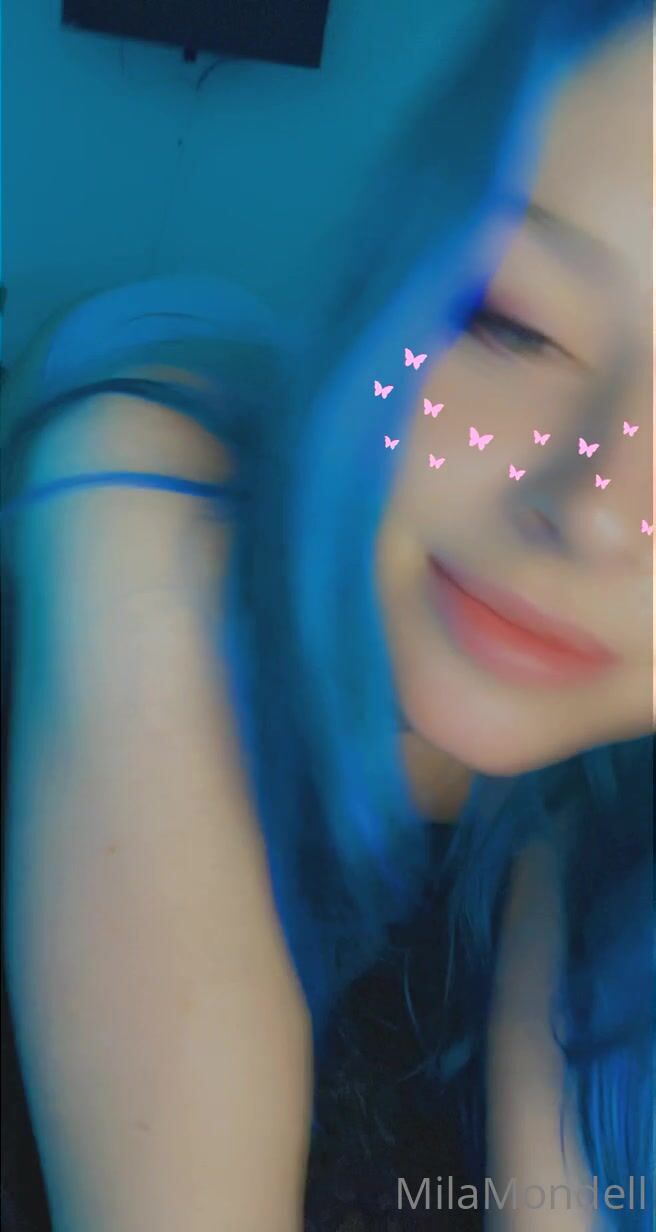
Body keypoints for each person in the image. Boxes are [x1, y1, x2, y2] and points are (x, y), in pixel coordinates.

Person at [1, 2, 653, 1229]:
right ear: (391, 276)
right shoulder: (156, 491)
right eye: (512, 319)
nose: (594, 508)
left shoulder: (592, 830)